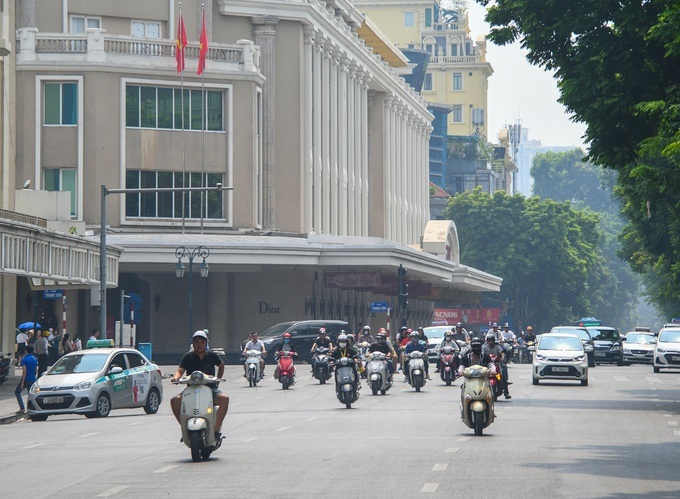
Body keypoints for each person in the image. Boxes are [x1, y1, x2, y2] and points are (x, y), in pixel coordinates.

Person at [170, 330, 228, 441]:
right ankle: (184, 428)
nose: (199, 344)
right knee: (174, 401)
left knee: (225, 399)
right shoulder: (188, 357)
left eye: (201, 342)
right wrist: (175, 378)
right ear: (193, 344)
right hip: (191, 389)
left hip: (209, 388)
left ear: (206, 343)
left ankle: (215, 431)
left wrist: (217, 381)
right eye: (196, 342)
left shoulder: (211, 355)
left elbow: (221, 366)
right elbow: (180, 371)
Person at [483, 333, 511, 399]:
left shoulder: (497, 347)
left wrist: (502, 358)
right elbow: (481, 354)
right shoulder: (484, 347)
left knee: (502, 375)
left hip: (497, 364)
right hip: (487, 365)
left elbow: (502, 352)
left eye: (492, 340)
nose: (490, 342)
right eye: (489, 340)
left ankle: (506, 393)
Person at [15, 345, 38, 414]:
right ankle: (32, 408)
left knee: (17, 392)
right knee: (30, 394)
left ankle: (22, 408)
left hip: (26, 379)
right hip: (33, 379)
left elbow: (24, 371)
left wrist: (22, 382)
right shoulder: (34, 358)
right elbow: (36, 370)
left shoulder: (24, 359)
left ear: (26, 350)